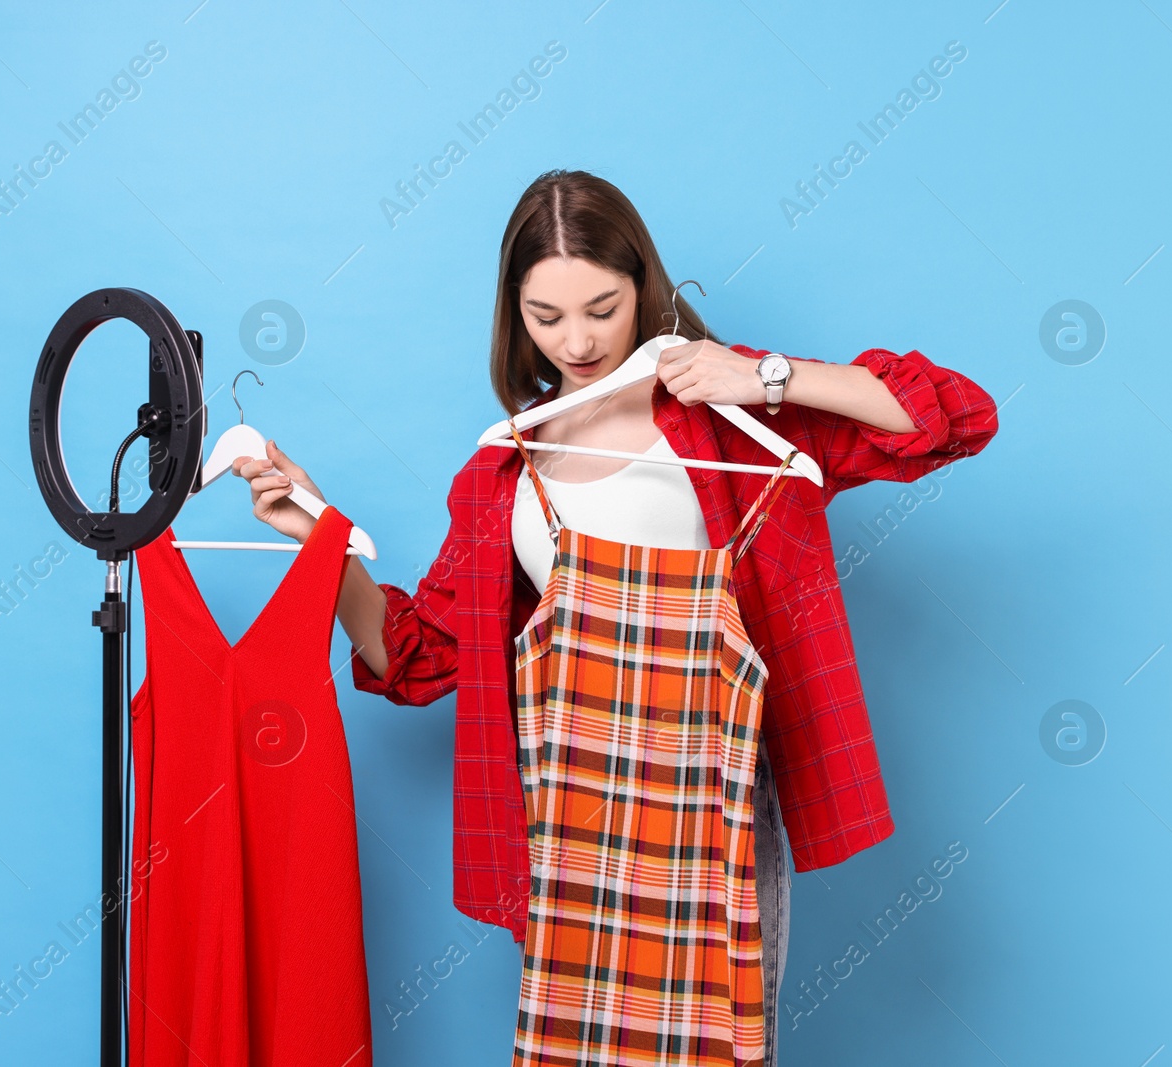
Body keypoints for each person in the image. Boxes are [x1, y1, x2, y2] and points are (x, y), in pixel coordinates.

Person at [232, 168, 999, 1062]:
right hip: (573, 822)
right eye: (545, 316)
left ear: (645, 286)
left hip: (719, 808)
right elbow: (413, 654)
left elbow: (953, 416)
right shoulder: (508, 470)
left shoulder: (735, 421)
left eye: (602, 306)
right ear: (512, 313)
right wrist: (321, 541)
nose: (579, 340)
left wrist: (767, 376)